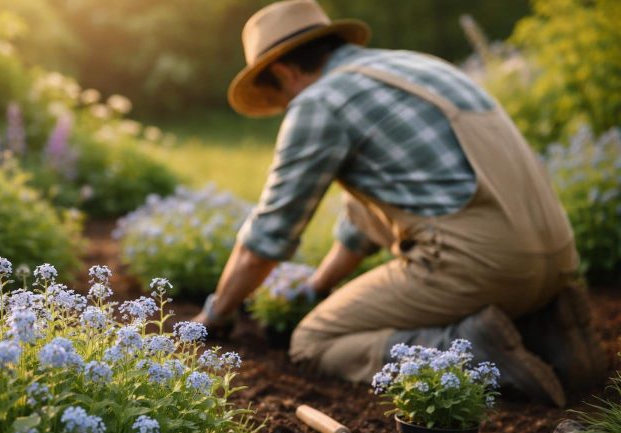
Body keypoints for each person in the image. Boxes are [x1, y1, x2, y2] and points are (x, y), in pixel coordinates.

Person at [192, 0, 607, 407]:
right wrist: (318, 287)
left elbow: (265, 239)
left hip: (482, 265)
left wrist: (215, 316)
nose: (287, 108)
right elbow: (362, 221)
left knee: (313, 340)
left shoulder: (319, 102)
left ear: (283, 72)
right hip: (557, 256)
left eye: (280, 98)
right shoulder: (417, 66)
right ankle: (547, 326)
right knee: (375, 216)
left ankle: (477, 352)